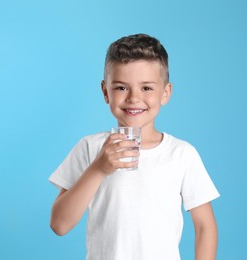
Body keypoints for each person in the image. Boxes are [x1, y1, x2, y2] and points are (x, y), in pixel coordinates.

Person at [49, 33, 220, 260]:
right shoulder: (90, 148)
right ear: (105, 92)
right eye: (121, 87)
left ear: (165, 93)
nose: (133, 98)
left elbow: (204, 227)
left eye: (147, 88)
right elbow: (60, 225)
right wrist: (99, 168)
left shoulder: (181, 155)